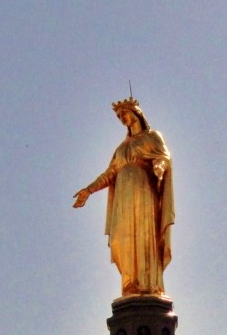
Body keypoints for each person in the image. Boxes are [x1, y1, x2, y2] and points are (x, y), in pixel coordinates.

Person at [73, 97, 174, 297]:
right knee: (123, 239)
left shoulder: (152, 137)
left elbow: (163, 156)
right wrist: (89, 190)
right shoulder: (121, 149)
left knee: (144, 235)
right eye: (119, 116)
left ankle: (147, 284)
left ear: (136, 113)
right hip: (123, 197)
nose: (122, 118)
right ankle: (131, 285)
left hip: (143, 190)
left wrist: (160, 166)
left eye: (124, 113)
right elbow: (110, 173)